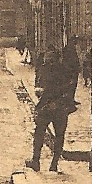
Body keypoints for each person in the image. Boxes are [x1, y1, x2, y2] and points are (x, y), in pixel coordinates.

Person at [29, 41, 81, 172]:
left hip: (52, 107)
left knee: (45, 133)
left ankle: (43, 162)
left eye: (51, 59)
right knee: (52, 134)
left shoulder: (54, 71)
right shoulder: (55, 70)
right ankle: (46, 162)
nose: (49, 61)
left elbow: (59, 89)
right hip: (56, 107)